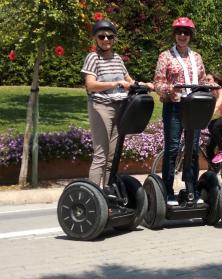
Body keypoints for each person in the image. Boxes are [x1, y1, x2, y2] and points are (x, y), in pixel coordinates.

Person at [82, 20, 153, 188]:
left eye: (109, 36)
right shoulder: (93, 58)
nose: (106, 39)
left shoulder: (117, 58)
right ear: (95, 39)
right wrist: (116, 84)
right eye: (101, 36)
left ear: (114, 38)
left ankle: (107, 194)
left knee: (112, 157)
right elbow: (90, 85)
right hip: (101, 107)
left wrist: (145, 85)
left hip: (120, 108)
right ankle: (94, 195)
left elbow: (129, 81)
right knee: (101, 154)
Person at [154, 17, 207, 206]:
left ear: (190, 36)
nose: (182, 35)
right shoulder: (165, 56)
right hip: (174, 106)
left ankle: (191, 188)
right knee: (173, 149)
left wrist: (211, 86)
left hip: (194, 108)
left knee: (193, 149)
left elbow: (202, 82)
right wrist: (170, 89)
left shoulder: (197, 57)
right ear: (174, 35)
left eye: (186, 32)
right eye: (179, 32)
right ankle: (168, 191)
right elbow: (157, 84)